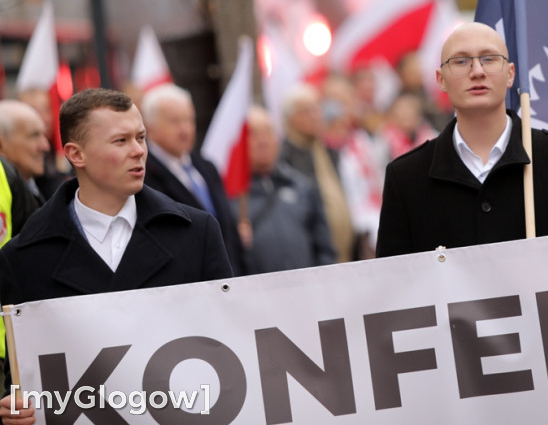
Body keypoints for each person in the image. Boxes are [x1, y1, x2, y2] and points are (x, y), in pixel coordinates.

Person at [0, 89, 232, 420]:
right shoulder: (22, 258)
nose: (139, 151)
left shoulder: (197, 233)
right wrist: (15, 409)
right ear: (75, 154)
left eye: (140, 137)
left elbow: (230, 346)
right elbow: (23, 378)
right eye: (120, 141)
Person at [375, 22, 548, 257]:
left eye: (489, 59)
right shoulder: (406, 178)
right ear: (441, 79)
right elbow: (394, 285)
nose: (477, 71)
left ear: (510, 74)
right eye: (460, 61)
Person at [140, 84, 246, 274]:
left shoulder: (206, 167)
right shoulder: (143, 175)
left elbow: (229, 229)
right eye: (175, 121)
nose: (185, 129)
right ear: (151, 128)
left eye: (189, 120)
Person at [237, 106, 337, 275]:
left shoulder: (301, 186)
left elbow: (325, 248)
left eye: (268, 132)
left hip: (308, 290)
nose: (263, 141)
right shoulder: (229, 196)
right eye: (253, 134)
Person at [278, 83, 357, 262]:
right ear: (292, 118)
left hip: (346, 254)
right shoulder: (284, 158)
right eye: (307, 111)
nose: (316, 116)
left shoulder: (328, 151)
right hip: (316, 256)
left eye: (317, 109)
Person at [0, 100, 52, 207]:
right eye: (34, 135)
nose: (45, 146)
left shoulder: (56, 189)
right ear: (1, 145)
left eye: (44, 135)